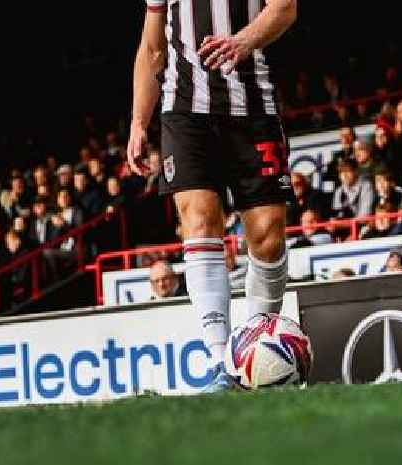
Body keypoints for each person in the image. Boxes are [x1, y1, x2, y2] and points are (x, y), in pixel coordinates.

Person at [128, 0, 297, 392]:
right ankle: (221, 361)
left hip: (252, 105)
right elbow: (153, 48)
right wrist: (139, 121)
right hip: (184, 108)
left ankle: (257, 348)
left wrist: (242, 42)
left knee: (268, 236)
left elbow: (285, 8)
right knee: (200, 219)